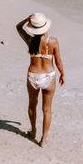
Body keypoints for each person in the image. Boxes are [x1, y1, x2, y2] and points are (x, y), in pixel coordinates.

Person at [16, 12, 64, 146]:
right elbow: (58, 61)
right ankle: (44, 139)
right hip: (48, 76)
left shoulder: (30, 41)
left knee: (32, 105)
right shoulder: (53, 41)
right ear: (45, 26)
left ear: (33, 27)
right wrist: (62, 74)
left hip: (33, 75)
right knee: (47, 109)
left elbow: (18, 27)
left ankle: (33, 131)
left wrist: (27, 18)